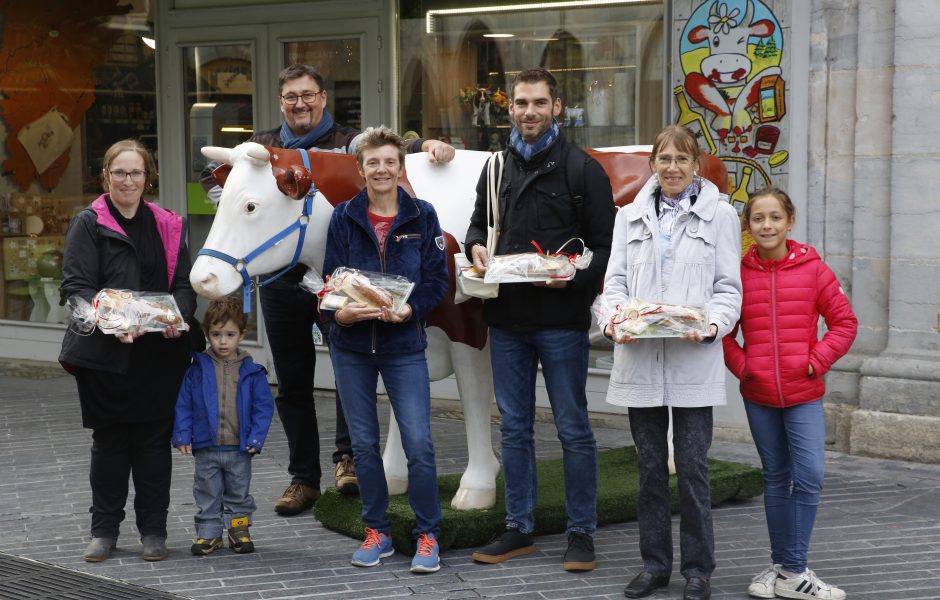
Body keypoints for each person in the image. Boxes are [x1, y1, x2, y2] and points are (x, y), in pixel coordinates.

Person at [200, 64, 455, 515]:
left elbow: (382, 148)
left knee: (347, 367)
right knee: (292, 380)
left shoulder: (346, 141)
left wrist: (422, 145)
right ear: (281, 102)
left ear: (322, 98)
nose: (300, 103)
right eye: (291, 96)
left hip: (340, 277)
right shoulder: (262, 146)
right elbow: (216, 178)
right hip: (281, 282)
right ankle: (304, 478)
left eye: (308, 95)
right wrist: (228, 197)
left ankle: (348, 460)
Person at [465, 67, 615, 572]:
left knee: (573, 429)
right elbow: (475, 227)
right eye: (521, 103)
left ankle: (581, 533)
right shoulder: (494, 169)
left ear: (557, 108)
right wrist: (477, 248)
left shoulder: (582, 170)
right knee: (515, 429)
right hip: (506, 321)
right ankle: (519, 527)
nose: (529, 112)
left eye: (538, 103)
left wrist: (569, 277)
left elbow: (602, 250)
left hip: (561, 322)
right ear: (511, 109)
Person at [602, 125, 742, 600]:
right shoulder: (629, 217)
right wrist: (613, 322)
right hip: (641, 359)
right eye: (664, 159)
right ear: (653, 165)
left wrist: (712, 326)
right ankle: (655, 565)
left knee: (693, 468)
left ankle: (698, 571)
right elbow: (614, 287)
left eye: (682, 159)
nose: (673, 168)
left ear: (696, 164)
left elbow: (727, 289)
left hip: (691, 360)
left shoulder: (720, 216)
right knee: (648, 471)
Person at [59, 139, 198, 562]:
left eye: (135, 172)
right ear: (106, 176)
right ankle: (104, 530)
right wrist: (112, 324)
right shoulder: (89, 223)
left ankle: (153, 531)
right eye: (119, 172)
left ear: (147, 177)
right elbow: (77, 288)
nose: (128, 180)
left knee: (154, 446)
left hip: (158, 356)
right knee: (110, 445)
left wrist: (177, 318)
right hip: (106, 357)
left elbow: (183, 285)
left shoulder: (167, 224)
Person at [322, 126, 449, 573]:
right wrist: (338, 315)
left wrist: (410, 310)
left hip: (403, 345)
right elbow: (330, 283)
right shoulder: (343, 216)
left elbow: (437, 281)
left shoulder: (423, 216)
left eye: (389, 161)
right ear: (360, 168)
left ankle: (428, 535)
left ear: (401, 166)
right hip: (351, 347)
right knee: (363, 444)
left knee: (419, 443)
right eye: (372, 162)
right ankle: (376, 531)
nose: (381, 169)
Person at [723, 188, 857, 600]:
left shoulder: (814, 270)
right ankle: (787, 570)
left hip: (804, 393)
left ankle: (792, 569)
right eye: (759, 218)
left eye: (775, 217)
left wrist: (816, 360)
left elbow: (844, 323)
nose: (767, 225)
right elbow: (725, 333)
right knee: (777, 478)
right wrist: (746, 369)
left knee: (811, 477)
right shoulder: (738, 273)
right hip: (759, 394)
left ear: (790, 221)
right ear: (749, 226)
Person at [172, 296, 275, 556]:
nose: (223, 341)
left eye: (230, 334)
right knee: (207, 492)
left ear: (242, 334)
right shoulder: (196, 369)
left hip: (240, 449)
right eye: (216, 334)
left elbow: (263, 409)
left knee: (238, 493)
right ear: (207, 334)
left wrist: (256, 439)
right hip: (206, 448)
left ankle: (238, 531)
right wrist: (182, 435)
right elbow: (184, 404)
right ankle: (208, 534)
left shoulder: (253, 372)